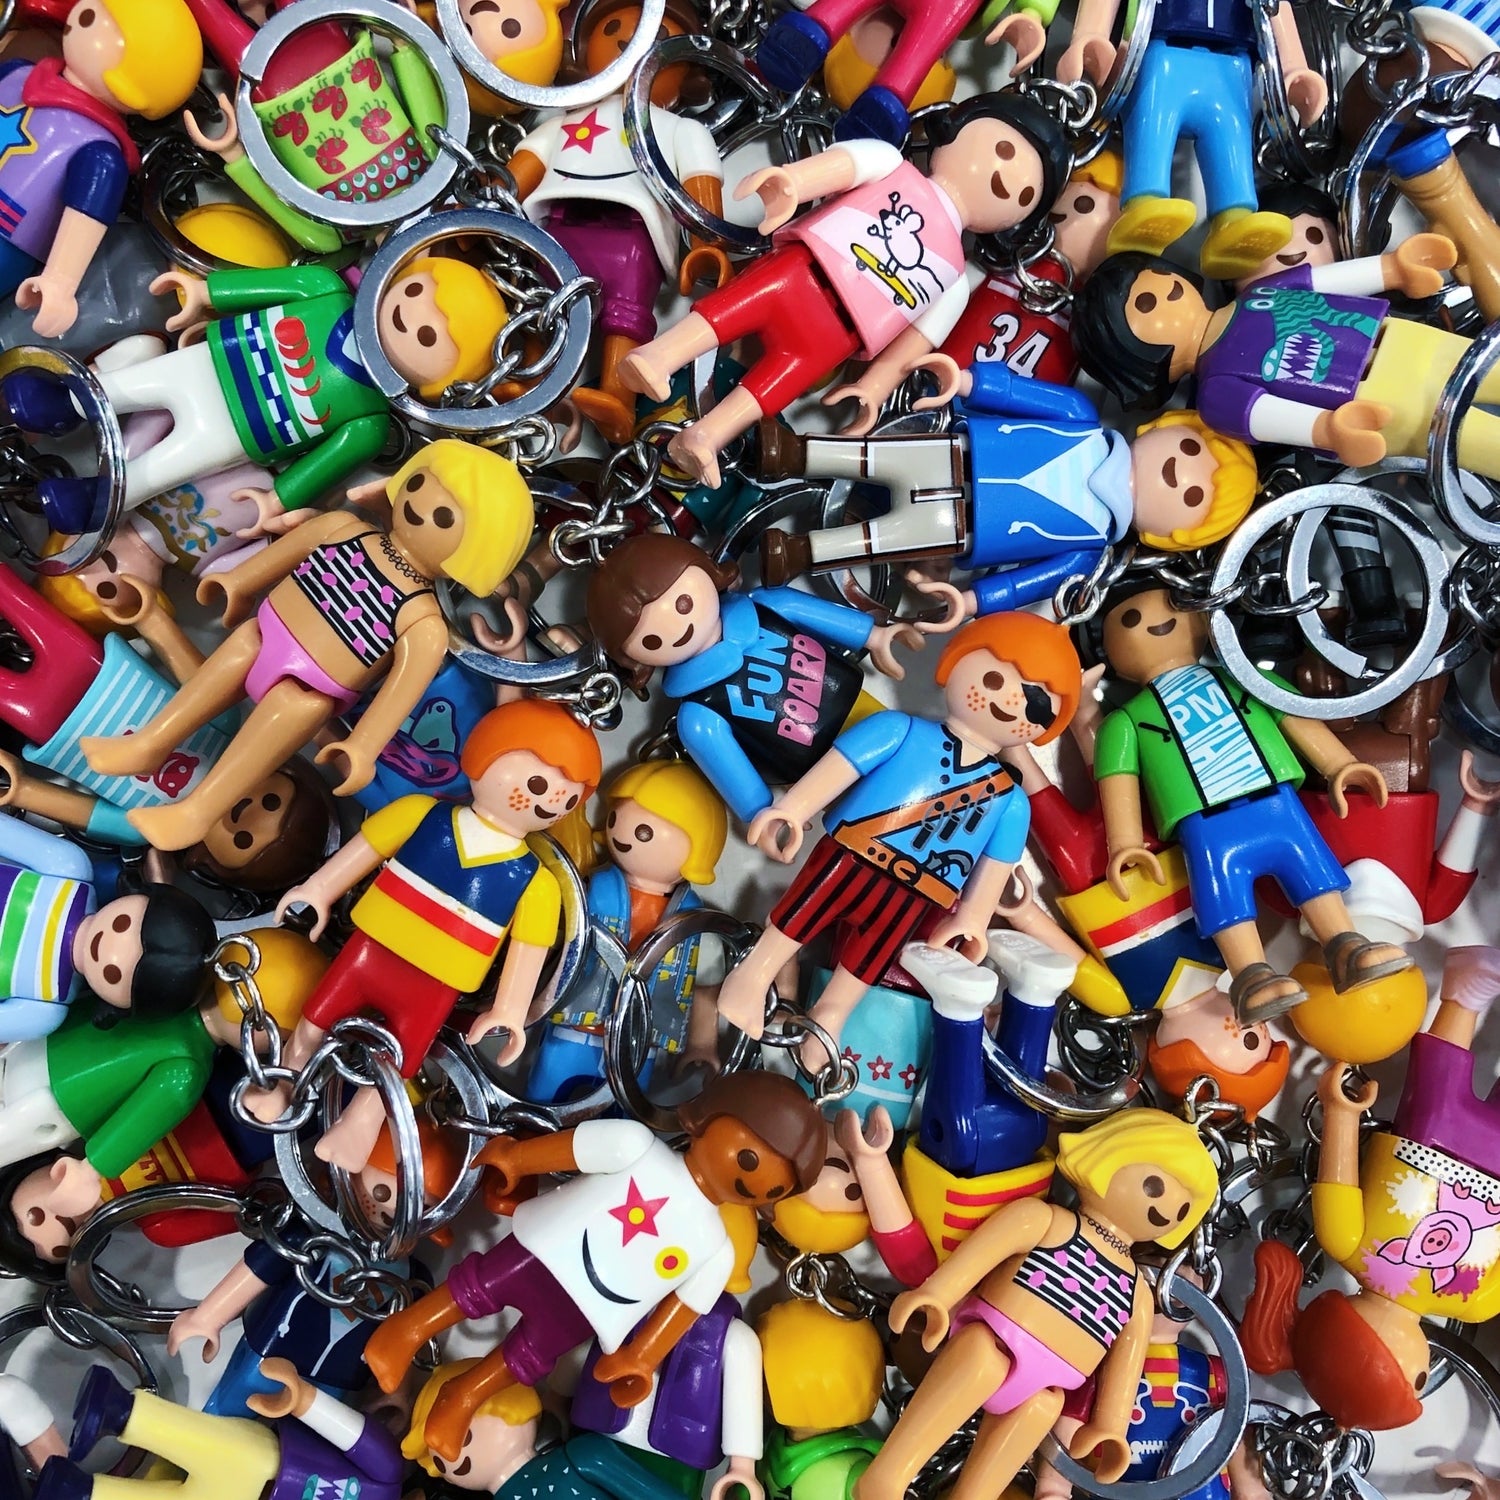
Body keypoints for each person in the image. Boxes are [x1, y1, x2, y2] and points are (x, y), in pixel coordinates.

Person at [80, 441, 533, 851]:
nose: (420, 509)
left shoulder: (423, 620)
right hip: (265, 634)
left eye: (444, 518)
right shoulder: (343, 527)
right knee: (243, 644)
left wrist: (362, 747)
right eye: (418, 485)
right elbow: (285, 552)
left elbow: (399, 694)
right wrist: (237, 582)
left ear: (474, 551)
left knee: (294, 706)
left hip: (313, 688)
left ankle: (197, 812)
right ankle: (150, 742)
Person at [362, 1073, 827, 1465]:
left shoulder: (717, 1250)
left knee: (528, 1357)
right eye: (749, 1158)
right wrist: (516, 1159)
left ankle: (463, 1397)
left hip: (592, 1308)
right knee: (477, 1287)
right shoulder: (637, 1146)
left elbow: (682, 1311)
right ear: (710, 1117)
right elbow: (574, 1149)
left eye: (774, 1190)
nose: (752, 1182)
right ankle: (405, 1329)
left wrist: (641, 1358)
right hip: (547, 1248)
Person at [618, 94, 1071, 489]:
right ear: (955, 127)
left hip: (834, 337)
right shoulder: (892, 164)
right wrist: (794, 182)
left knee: (776, 385)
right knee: (729, 309)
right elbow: (844, 167)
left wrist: (874, 388)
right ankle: (657, 357)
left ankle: (707, 436)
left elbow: (916, 343)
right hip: (803, 271)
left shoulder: (955, 280)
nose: (1004, 178)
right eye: (1004, 150)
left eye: (1025, 194)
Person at [713, 612, 1081, 1066]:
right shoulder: (898, 730)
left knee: (871, 954)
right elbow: (842, 767)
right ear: (955, 663)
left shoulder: (1011, 801)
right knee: (802, 914)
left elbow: (996, 868)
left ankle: (831, 1015)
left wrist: (972, 919)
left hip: (917, 891)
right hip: (851, 853)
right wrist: (792, 808)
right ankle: (752, 976)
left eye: (1037, 706)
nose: (1011, 702)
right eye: (994, 678)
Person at [248, 700, 602, 1169]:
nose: (546, 801)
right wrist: (317, 890)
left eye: (567, 799)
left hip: (437, 983)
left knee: (402, 1058)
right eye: (537, 785)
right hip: (372, 950)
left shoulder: (536, 882)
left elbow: (528, 950)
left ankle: (360, 1127)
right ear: (483, 756)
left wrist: (510, 1011)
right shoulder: (420, 814)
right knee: (316, 1018)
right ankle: (282, 1083)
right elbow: (364, 850)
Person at [853, 1110, 1218, 1500]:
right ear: (1108, 1157)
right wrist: (937, 1295)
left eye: (1182, 1210)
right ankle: (888, 1476)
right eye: (1154, 1186)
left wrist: (1110, 1426)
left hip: (1047, 1385)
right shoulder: (1046, 1221)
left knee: (1043, 1408)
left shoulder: (1138, 1293)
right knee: (980, 1358)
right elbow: (982, 1253)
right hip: (992, 1339)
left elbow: (1126, 1363)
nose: (1166, 1210)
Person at [1092, 583, 1413, 1024]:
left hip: (1276, 805)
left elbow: (1291, 713)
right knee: (1224, 897)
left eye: (1172, 607)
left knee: (1312, 873)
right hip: (1207, 828)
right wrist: (1126, 843)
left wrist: (1339, 763)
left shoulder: (1243, 676)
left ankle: (1346, 946)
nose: (1153, 623)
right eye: (1129, 621)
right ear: (1108, 651)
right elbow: (1118, 781)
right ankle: (1250, 977)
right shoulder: (1124, 723)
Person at [1, 258, 509, 534]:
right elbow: (266, 285)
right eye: (416, 292)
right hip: (211, 361)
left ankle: (100, 500)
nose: (408, 317)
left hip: (236, 433)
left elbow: (325, 464)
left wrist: (276, 501)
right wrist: (205, 293)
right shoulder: (324, 287)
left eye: (429, 337)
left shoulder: (371, 422)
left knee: (161, 470)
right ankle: (64, 403)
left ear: (440, 386)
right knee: (125, 385)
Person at [1240, 947, 1500, 1431]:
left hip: (1423, 1144)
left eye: (1414, 1379)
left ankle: (1464, 995)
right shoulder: (1476, 1300)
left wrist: (1340, 1112)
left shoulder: (1349, 1243)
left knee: (1438, 1084)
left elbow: (1337, 1177)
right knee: (1437, 1088)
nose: (1424, 1370)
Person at [754, 365, 1255, 598]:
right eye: (1192, 448)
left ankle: (800, 553)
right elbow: (1018, 394)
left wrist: (973, 601)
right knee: (869, 456)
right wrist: (966, 381)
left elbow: (1021, 585)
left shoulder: (1086, 552)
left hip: (957, 529)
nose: (1179, 473)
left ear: (1171, 537)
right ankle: (795, 453)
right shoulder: (1078, 416)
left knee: (875, 543)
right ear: (1170, 426)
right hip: (956, 453)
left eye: (1193, 496)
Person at [1072, 237, 1500, 480]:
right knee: (1482, 441)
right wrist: (1328, 430)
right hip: (1380, 402)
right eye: (1145, 305)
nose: (1165, 293)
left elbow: (1322, 281)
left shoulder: (1258, 293)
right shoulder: (1216, 394)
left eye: (1159, 276)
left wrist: (1392, 268)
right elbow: (1269, 415)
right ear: (1132, 356)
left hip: (1405, 339)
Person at [504, 0, 731, 442]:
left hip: (634, 237)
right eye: (611, 30)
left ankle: (618, 399)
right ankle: (533, 379)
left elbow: (701, 188)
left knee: (625, 315)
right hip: (559, 228)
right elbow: (525, 168)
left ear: (688, 75)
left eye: (658, 40)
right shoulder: (566, 121)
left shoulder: (680, 130)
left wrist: (709, 245)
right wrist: (491, 199)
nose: (629, 42)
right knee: (542, 302)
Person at [586, 535, 919, 824]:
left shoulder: (767, 606)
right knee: (868, 818)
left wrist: (874, 636)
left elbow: (809, 612)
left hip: (857, 708)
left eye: (683, 603)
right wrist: (765, 814)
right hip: (813, 774)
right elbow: (735, 775)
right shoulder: (698, 715)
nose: (677, 628)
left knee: (910, 759)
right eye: (652, 640)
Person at [0, 922, 323, 1178]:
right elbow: (142, 1120)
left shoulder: (161, 987)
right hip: (55, 1102)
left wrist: (92, 1169)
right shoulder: (187, 1066)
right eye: (283, 1038)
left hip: (39, 1060)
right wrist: (91, 1170)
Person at [1055, 0, 1325, 276]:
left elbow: (1274, 10)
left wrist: (1294, 69)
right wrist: (1090, 37)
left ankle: (1234, 219)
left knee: (1231, 140)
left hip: (1232, 69)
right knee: (1152, 130)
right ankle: (1143, 204)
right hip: (1159, 57)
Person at [528, 760, 728, 1103]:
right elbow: (552, 946)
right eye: (614, 819)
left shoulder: (692, 921)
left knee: (622, 1118)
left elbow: (705, 990)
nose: (621, 835)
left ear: (697, 847)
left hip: (638, 1045)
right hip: (574, 1028)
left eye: (644, 833)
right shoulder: (591, 891)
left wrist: (701, 1044)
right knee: (545, 1100)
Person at [0, 0, 202, 338]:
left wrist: (59, 283)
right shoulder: (18, 72)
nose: (84, 11)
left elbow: (83, 217)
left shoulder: (100, 152)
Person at [34, 1361, 405, 1500]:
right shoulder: (387, 1476)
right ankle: (119, 1411)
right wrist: (303, 1399)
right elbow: (353, 1435)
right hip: (268, 1463)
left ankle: (82, 1492)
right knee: (220, 1448)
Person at [0, 812, 215, 1041]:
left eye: (113, 974)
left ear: (117, 1007)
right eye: (122, 924)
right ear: (137, 893)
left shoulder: (45, 1011)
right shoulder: (69, 869)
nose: (109, 947)